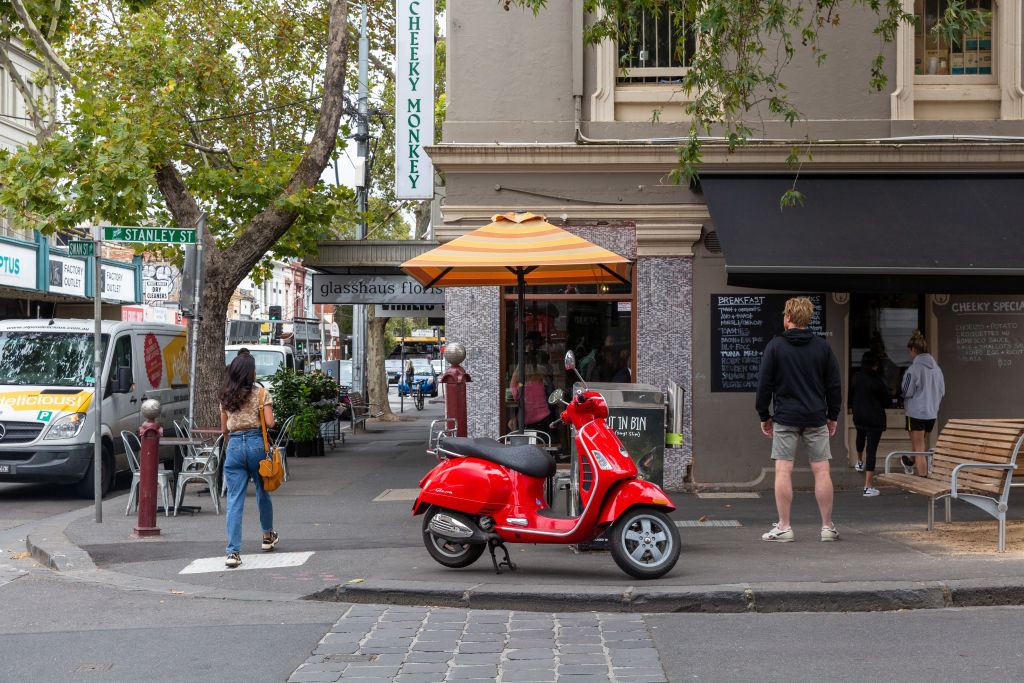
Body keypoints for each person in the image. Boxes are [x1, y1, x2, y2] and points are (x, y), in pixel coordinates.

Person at [755, 297, 842, 543]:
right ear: (808, 319)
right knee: (822, 470)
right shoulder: (822, 347)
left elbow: (764, 385)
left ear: (788, 318)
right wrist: (832, 415)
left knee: (783, 470)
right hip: (816, 417)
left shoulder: (775, 346)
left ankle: (784, 526)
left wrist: (764, 415)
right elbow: (834, 385)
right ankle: (827, 527)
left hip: (785, 417)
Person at [219, 353, 279, 568]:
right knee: (263, 492)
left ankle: (233, 552)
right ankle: (267, 535)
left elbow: (224, 429)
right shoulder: (261, 394)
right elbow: (270, 423)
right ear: (250, 373)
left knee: (235, 500)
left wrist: (233, 443)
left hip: (234, 446)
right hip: (256, 445)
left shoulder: (226, 396)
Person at [901, 330, 945, 476]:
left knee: (919, 447)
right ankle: (909, 461)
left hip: (915, 413)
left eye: (910, 352)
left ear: (914, 350)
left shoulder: (913, 369)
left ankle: (923, 478)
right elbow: (942, 390)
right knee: (919, 443)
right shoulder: (937, 369)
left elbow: (906, 391)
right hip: (931, 413)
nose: (910, 355)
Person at [851, 351, 889, 496]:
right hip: (875, 418)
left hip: (859, 415)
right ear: (875, 365)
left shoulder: (856, 378)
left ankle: (859, 461)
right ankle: (867, 486)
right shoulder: (879, 381)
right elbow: (886, 401)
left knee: (860, 437)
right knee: (871, 451)